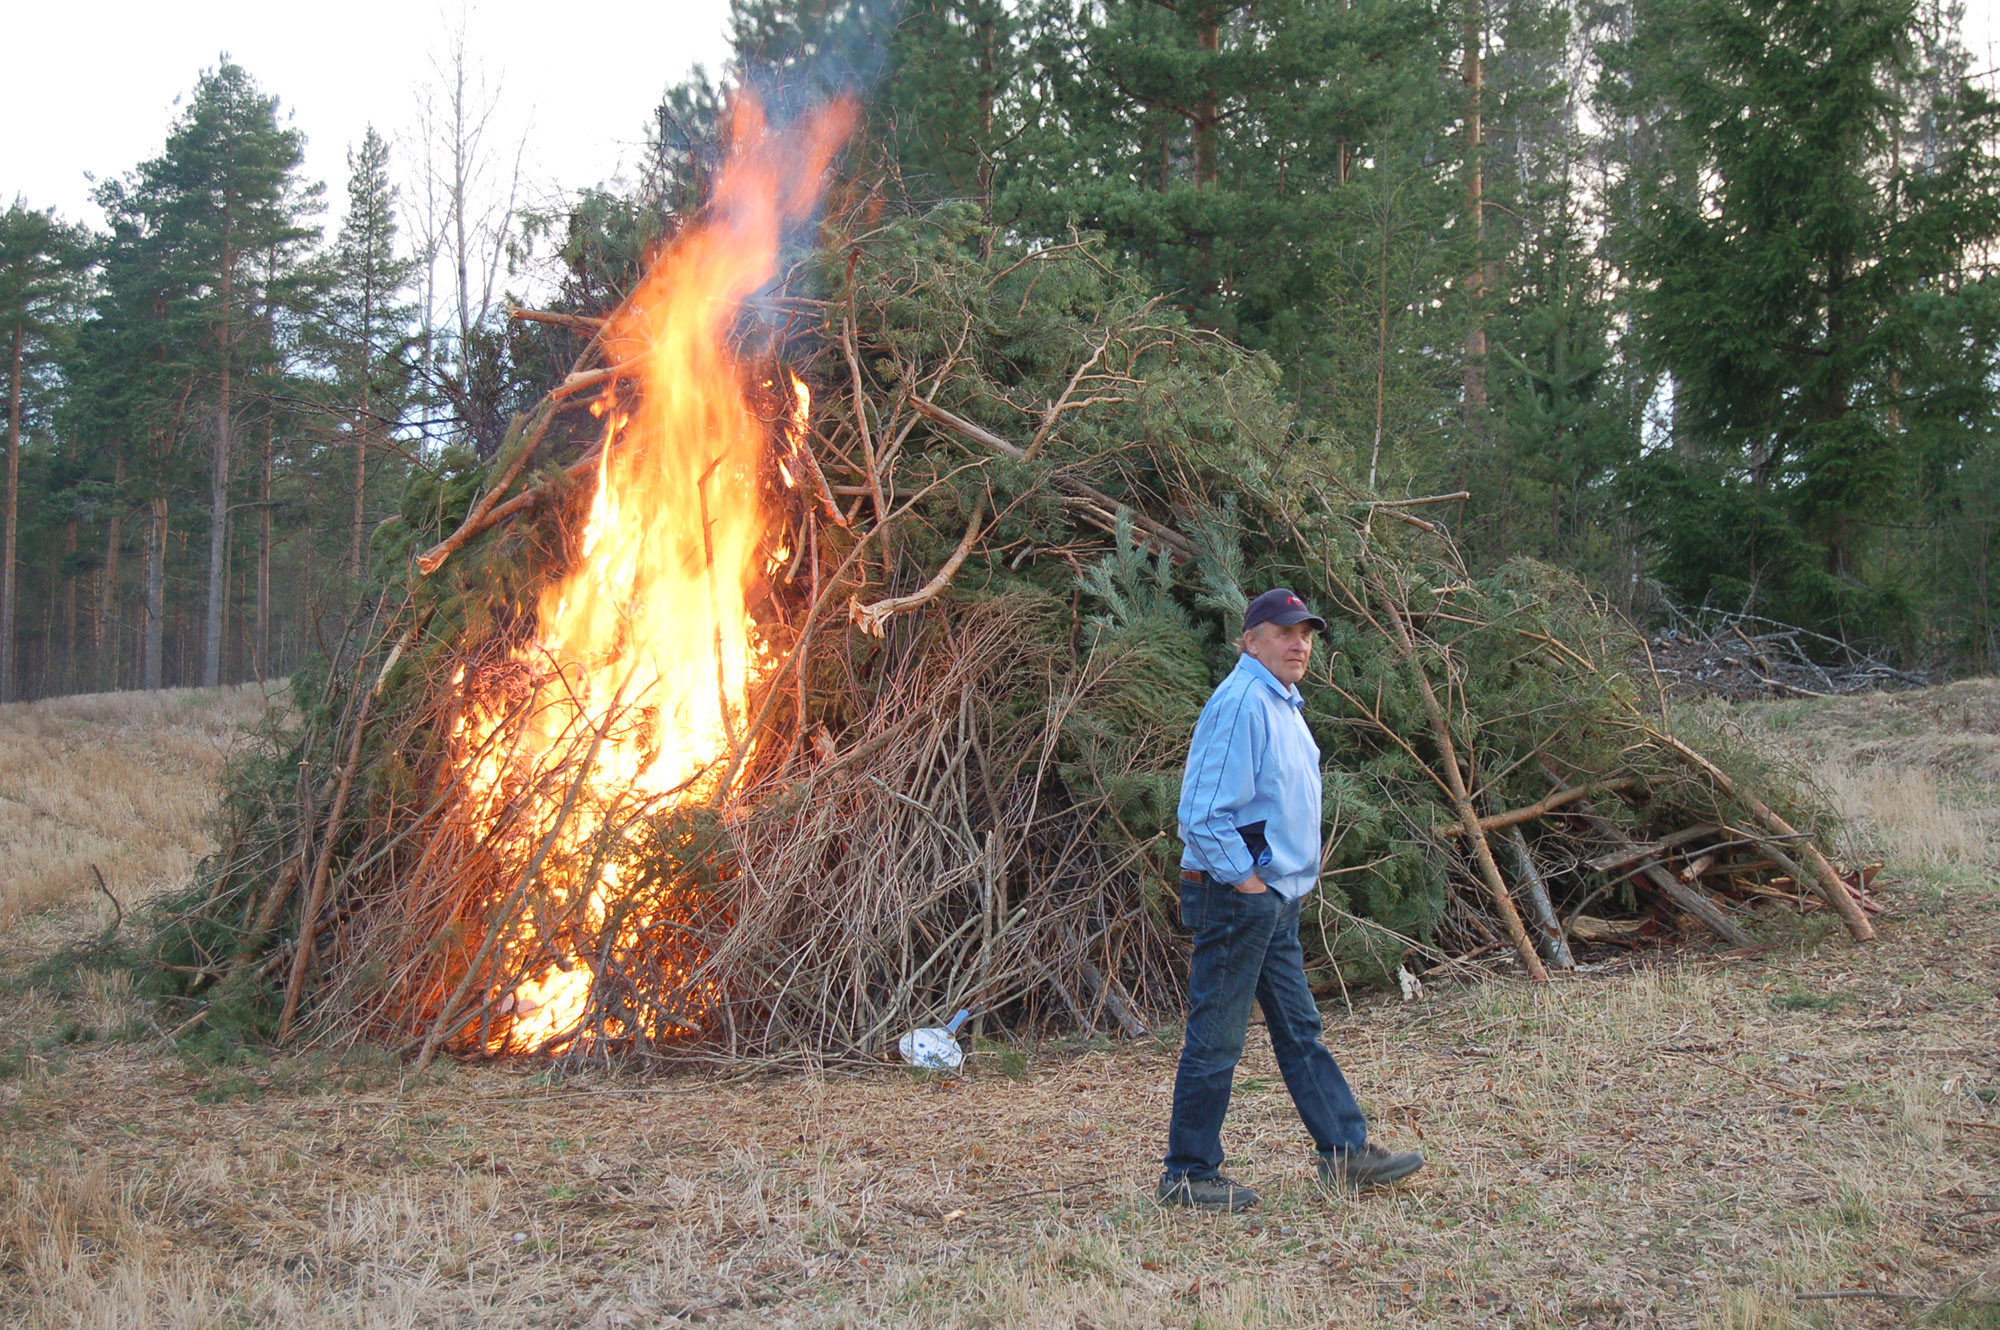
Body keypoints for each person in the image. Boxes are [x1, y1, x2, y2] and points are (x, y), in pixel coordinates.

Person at [1157, 587, 1424, 1212]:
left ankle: (1344, 1153)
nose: (1298, 642)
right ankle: (1188, 1174)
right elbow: (1200, 814)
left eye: (1305, 632)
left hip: (1270, 899)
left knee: (1300, 1030)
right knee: (1217, 1038)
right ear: (1251, 640)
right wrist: (1246, 884)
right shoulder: (1243, 702)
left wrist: (1269, 887)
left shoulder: (1282, 705)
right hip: (1237, 897)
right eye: (1283, 631)